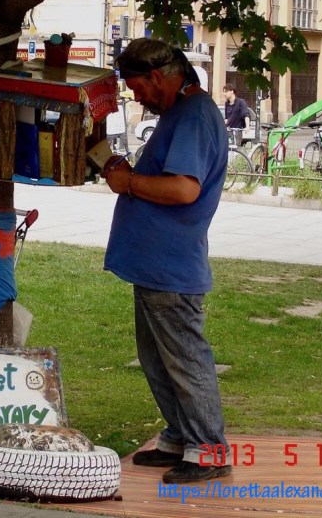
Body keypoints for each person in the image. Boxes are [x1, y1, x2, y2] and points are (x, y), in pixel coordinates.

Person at [101, 38, 231, 484]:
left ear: (158, 77)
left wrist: (129, 183)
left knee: (184, 359)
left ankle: (209, 450)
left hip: (172, 264)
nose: (136, 97)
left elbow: (183, 189)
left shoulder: (193, 116)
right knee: (158, 358)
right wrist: (127, 172)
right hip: (156, 263)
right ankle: (180, 438)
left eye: (138, 88)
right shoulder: (180, 114)